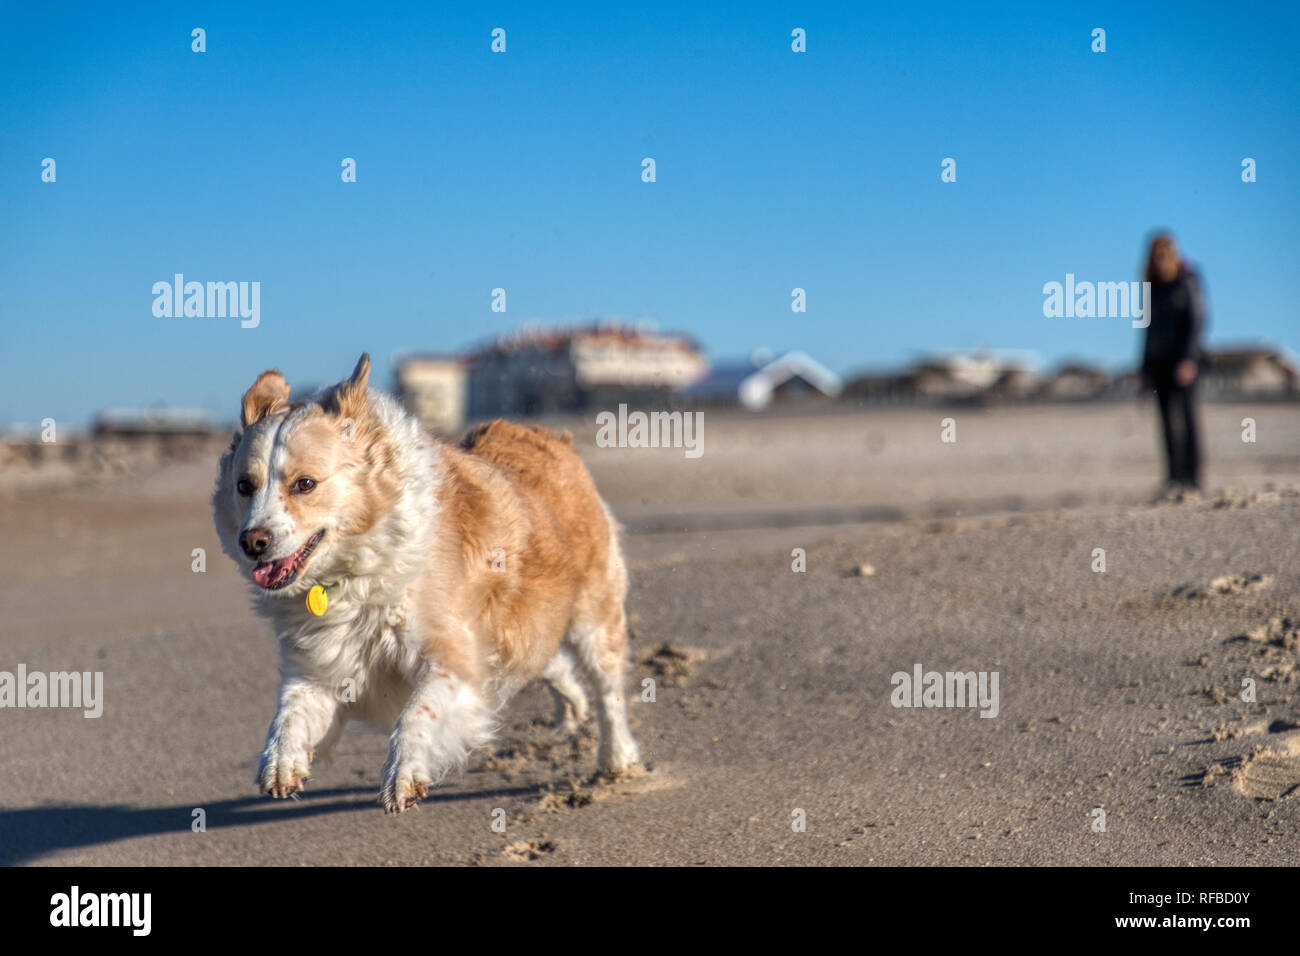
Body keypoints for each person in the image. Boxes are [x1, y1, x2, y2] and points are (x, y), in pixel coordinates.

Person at [1139, 232, 1206, 493]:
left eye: (1163, 254)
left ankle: (1193, 478)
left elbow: (1197, 320)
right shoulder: (1151, 287)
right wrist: (1144, 371)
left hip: (1184, 362)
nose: (1159, 261)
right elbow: (1146, 330)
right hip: (1159, 363)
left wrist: (1188, 358)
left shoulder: (1187, 279)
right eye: (1155, 256)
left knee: (1188, 418)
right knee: (1166, 422)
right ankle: (1173, 477)